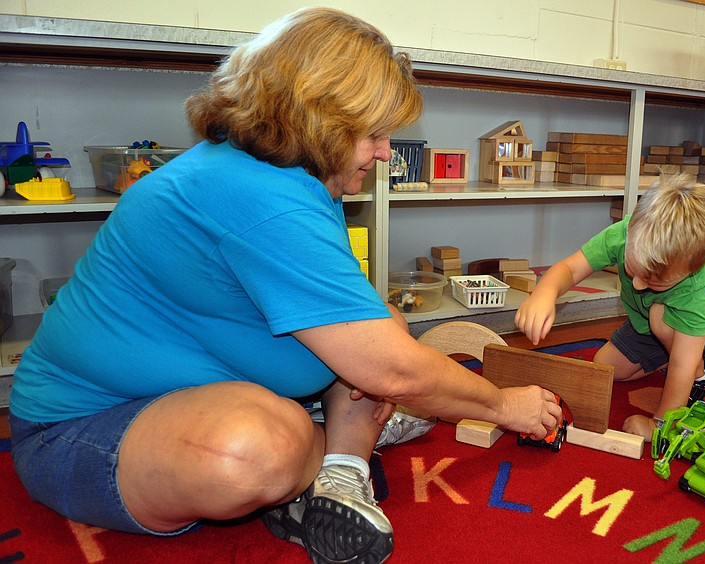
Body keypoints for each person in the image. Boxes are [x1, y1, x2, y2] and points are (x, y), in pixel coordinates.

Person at [9, 8, 562, 564]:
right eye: (373, 133)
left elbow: (370, 340)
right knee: (262, 448)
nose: (387, 150)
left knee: (382, 324)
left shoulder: (288, 178)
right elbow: (391, 370)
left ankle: (337, 476)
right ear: (321, 121)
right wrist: (503, 405)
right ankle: (322, 456)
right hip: (78, 429)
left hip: (193, 392)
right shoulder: (263, 199)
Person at [514, 174, 705, 442]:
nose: (637, 285)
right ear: (631, 229)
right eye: (631, 268)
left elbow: (681, 366)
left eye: (651, 280)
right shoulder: (626, 235)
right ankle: (686, 351)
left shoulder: (695, 284)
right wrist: (544, 293)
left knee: (663, 322)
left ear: (692, 270)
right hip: (653, 321)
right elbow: (570, 268)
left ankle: (703, 378)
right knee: (606, 367)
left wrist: (659, 426)